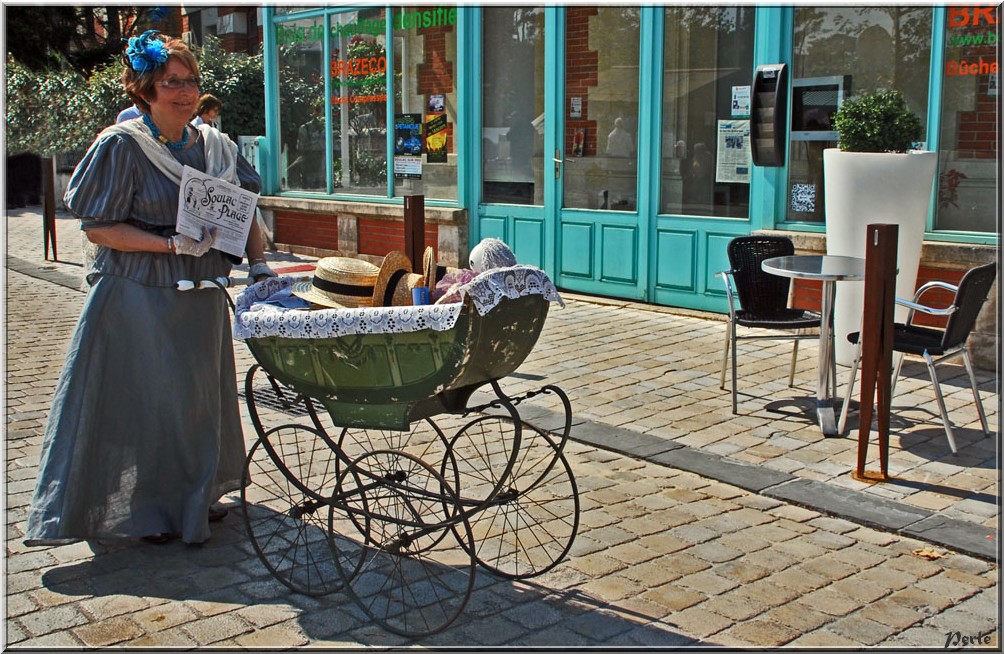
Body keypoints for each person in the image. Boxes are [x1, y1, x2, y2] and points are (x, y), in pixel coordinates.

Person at [24, 30, 277, 547]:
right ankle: (154, 508)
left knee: (198, 402)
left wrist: (260, 265)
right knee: (151, 402)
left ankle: (196, 494)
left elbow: (243, 208)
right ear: (145, 89)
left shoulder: (216, 146)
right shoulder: (123, 146)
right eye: (170, 83)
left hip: (202, 294)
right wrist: (170, 246)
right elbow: (99, 228)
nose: (184, 92)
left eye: (190, 81)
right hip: (139, 295)